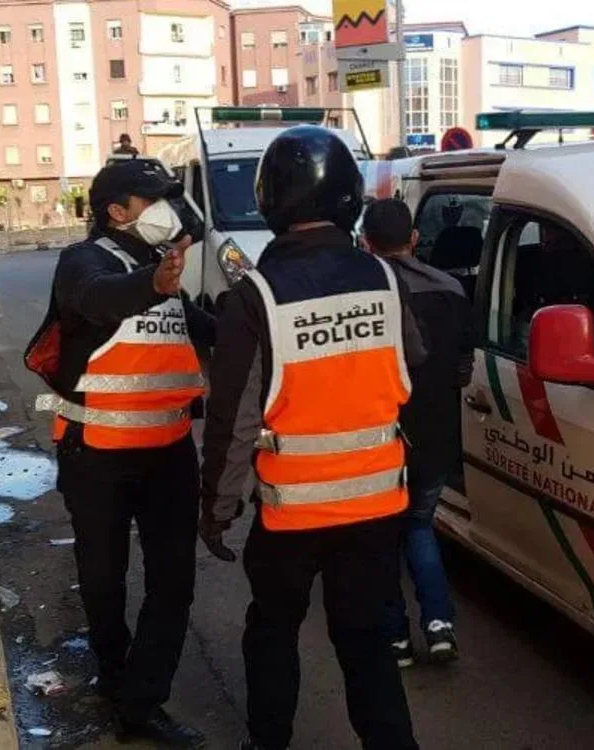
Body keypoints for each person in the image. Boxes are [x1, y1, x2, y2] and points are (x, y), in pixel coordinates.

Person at [198, 125, 424, 750]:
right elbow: (414, 362)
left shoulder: (256, 296)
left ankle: (268, 742)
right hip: (377, 508)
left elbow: (233, 423)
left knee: (273, 633)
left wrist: (217, 510)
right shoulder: (385, 280)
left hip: (291, 516)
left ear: (270, 201)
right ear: (350, 197)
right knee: (367, 644)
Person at [25, 158, 214, 747]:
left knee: (173, 583)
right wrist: (153, 283)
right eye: (151, 200)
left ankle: (141, 702)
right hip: (97, 454)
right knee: (104, 580)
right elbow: (98, 298)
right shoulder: (84, 262)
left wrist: (263, 308)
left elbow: (207, 329)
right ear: (116, 211)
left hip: (168, 455)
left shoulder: (162, 269)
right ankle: (113, 675)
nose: (165, 210)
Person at [360, 198, 472, 668]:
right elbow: (463, 367)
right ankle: (440, 624)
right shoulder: (452, 289)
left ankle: (396, 639)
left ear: (365, 244)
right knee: (420, 525)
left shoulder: (365, 298)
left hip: (382, 435)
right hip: (436, 434)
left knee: (384, 537)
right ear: (413, 239)